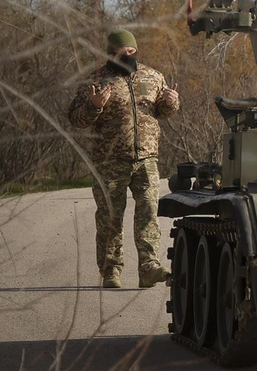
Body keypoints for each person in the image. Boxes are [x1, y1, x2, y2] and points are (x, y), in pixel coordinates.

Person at [67, 28, 180, 289]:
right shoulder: (96, 80)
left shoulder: (152, 76)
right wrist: (94, 106)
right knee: (110, 217)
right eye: (121, 52)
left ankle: (148, 267)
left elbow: (163, 112)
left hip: (147, 157)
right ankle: (111, 270)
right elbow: (75, 118)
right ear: (110, 54)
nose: (127, 55)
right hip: (109, 161)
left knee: (149, 212)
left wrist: (171, 102)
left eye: (131, 51)